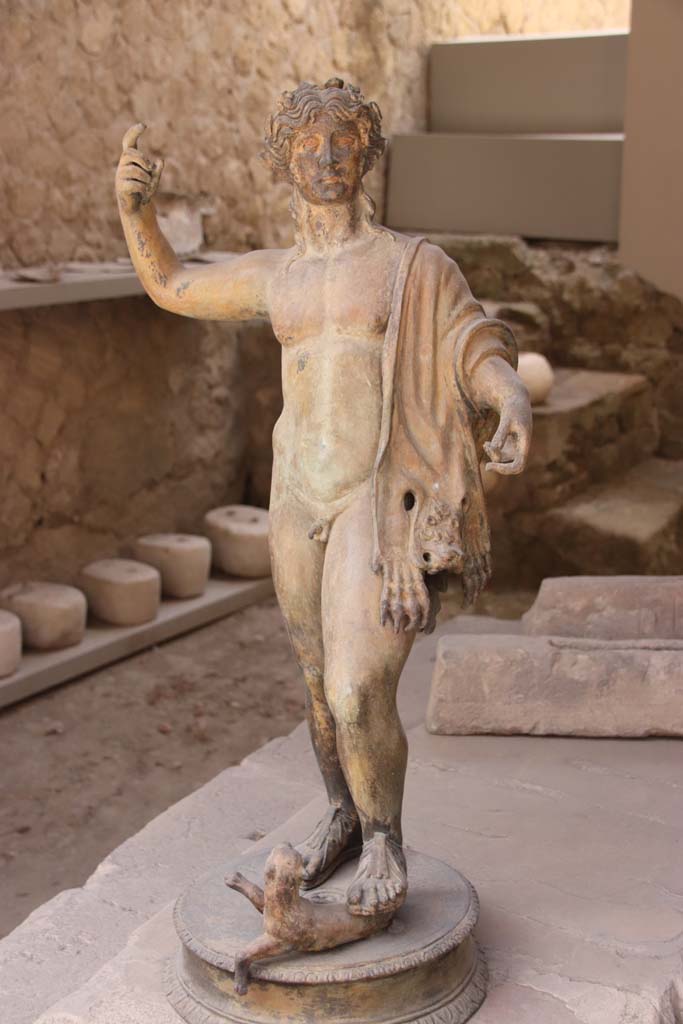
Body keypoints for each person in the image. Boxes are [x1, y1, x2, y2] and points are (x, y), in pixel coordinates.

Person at [115, 78, 531, 917]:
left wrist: (508, 396)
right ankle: (342, 814)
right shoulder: (280, 277)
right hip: (298, 496)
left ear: (367, 153)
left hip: (377, 501)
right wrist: (135, 212)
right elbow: (174, 288)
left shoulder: (413, 265)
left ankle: (383, 839)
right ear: (285, 163)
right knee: (315, 685)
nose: (327, 157)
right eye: (307, 146)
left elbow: (469, 342)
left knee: (355, 691)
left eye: (343, 140)